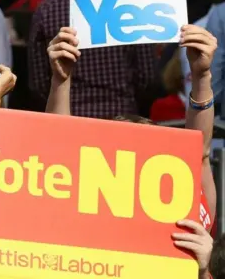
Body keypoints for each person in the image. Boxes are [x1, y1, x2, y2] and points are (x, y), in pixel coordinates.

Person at [44, 23, 218, 279]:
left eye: (145, 150)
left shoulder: (183, 199)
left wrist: (202, 76)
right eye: (120, 150)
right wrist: (60, 80)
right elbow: (60, 149)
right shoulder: (93, 204)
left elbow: (198, 151)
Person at [28, 0, 157, 119]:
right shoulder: (129, 5)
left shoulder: (47, 9)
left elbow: (38, 82)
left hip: (69, 120)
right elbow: (146, 76)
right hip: (123, 119)